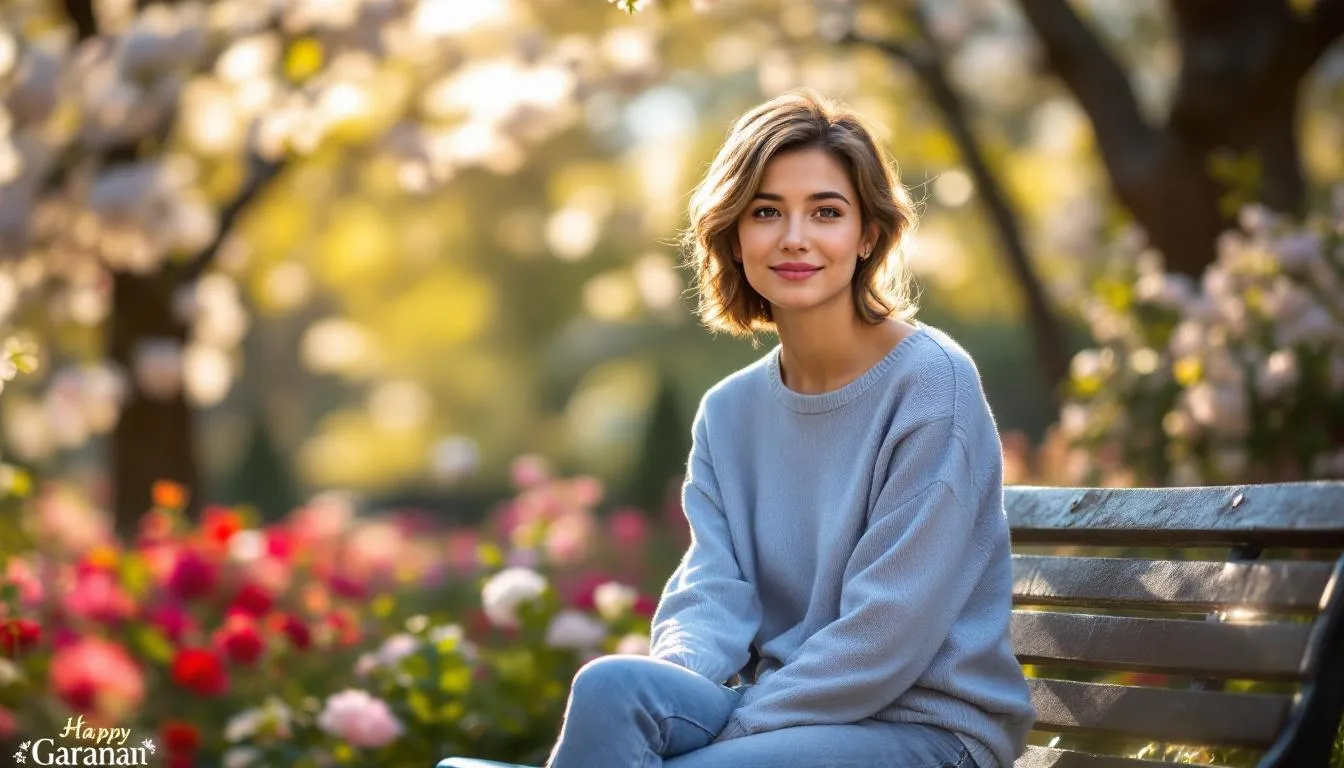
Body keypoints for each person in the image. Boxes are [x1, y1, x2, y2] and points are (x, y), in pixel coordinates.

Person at [440, 88, 1034, 768]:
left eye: (827, 212)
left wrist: (730, 730)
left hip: (926, 729)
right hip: (784, 714)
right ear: (735, 234)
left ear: (868, 234)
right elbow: (711, 591)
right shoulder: (728, 412)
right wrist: (682, 684)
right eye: (766, 212)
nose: (794, 237)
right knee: (610, 685)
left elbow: (886, 634)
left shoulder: (931, 383)